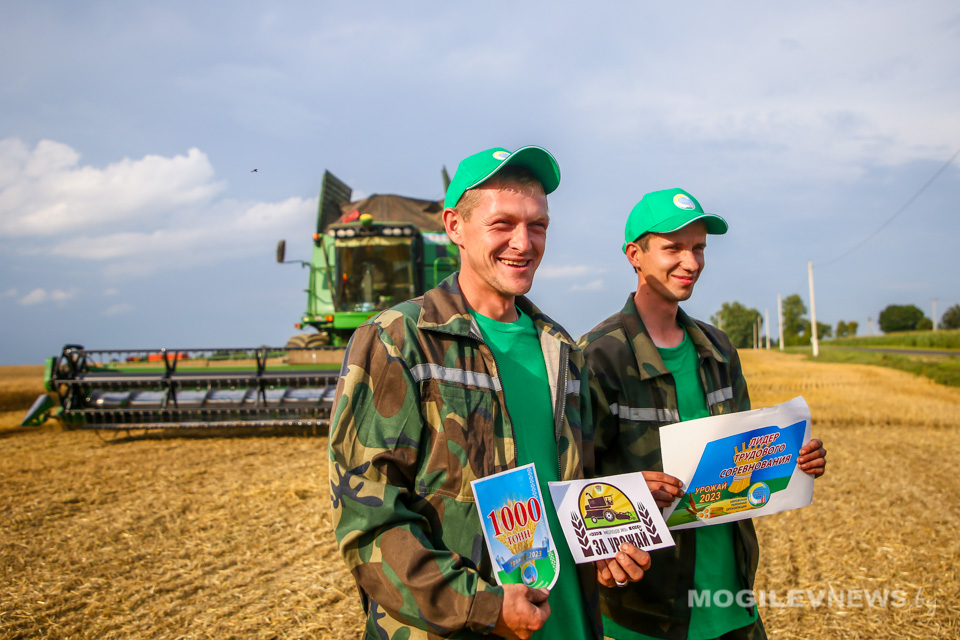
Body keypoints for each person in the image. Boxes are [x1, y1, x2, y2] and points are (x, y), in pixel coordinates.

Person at [328, 146, 650, 640]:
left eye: (538, 225)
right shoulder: (399, 341)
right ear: (454, 226)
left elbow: (573, 484)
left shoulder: (561, 349)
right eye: (503, 224)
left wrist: (606, 542)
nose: (524, 242)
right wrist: (485, 607)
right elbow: (368, 519)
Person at [578, 188, 827, 640]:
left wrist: (793, 459)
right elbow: (572, 478)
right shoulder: (599, 356)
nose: (690, 262)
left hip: (731, 601)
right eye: (673, 248)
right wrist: (630, 494)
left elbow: (746, 455)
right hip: (646, 614)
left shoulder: (718, 350)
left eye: (698, 248)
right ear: (635, 255)